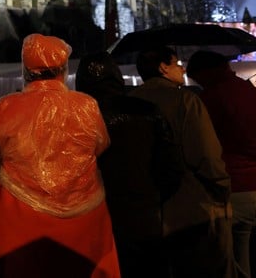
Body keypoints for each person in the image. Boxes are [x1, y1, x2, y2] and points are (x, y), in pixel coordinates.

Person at [0, 34, 120, 277]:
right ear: (64, 68)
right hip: (85, 219)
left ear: (26, 69)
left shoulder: (5, 107)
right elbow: (101, 145)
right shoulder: (86, 106)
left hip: (20, 219)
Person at [128, 46, 234, 278]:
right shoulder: (185, 100)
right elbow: (206, 154)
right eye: (176, 63)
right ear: (163, 68)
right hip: (189, 207)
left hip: (142, 211)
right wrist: (222, 186)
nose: (181, 68)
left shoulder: (128, 101)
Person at [76, 50, 183, 277]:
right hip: (143, 217)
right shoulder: (147, 111)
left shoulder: (75, 119)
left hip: (92, 220)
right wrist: (152, 196)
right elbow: (172, 167)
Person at [187, 50, 256, 278]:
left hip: (234, 189)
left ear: (206, 73)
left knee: (228, 259)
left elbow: (201, 145)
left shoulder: (210, 100)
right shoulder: (252, 92)